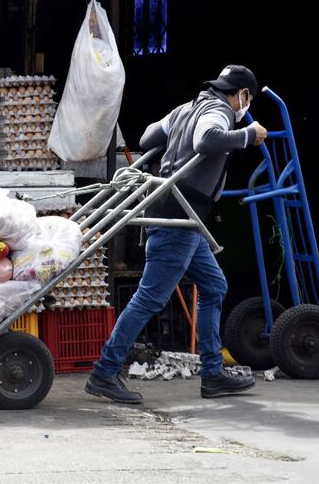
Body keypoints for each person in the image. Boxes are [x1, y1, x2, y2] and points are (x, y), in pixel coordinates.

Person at [85, 64, 268, 404]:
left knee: (215, 286)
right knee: (150, 298)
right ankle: (105, 371)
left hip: (185, 218)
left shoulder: (186, 109)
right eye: (248, 100)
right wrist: (247, 134)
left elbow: (147, 137)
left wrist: (176, 133)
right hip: (178, 216)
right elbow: (207, 139)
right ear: (242, 95)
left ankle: (212, 374)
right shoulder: (218, 111)